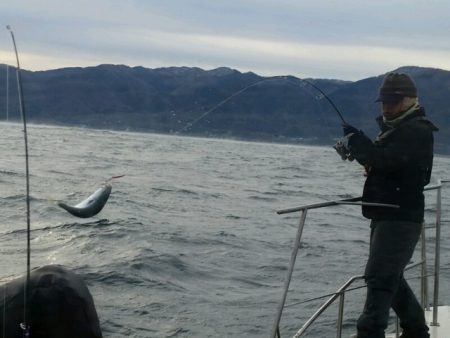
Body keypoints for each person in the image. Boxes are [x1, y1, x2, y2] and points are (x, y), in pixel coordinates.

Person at [334, 72, 438, 338]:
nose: (386, 106)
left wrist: (357, 142)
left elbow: (387, 161)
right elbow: (390, 164)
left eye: (392, 101)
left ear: (410, 100)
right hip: (388, 213)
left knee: (380, 277)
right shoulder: (399, 130)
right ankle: (416, 331)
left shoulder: (417, 130)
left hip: (400, 217)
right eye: (384, 101)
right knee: (387, 274)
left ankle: (370, 333)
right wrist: (361, 149)